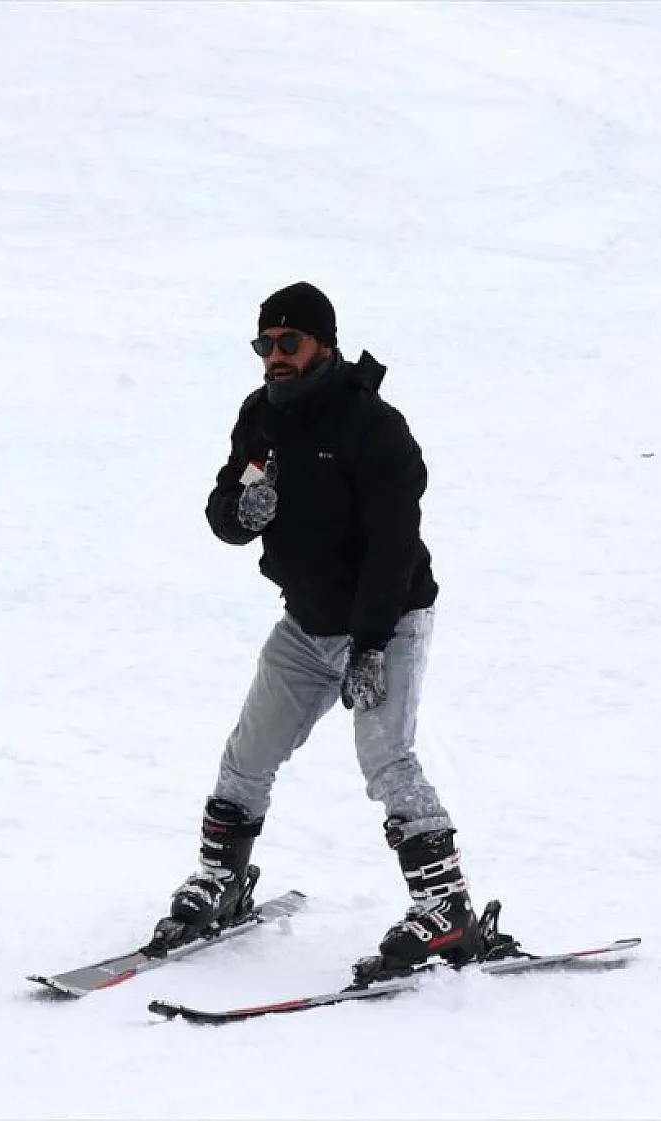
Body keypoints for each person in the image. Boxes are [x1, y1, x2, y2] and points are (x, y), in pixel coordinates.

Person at [151, 281, 482, 979]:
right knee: (249, 751)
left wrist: (368, 645)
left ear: (323, 344)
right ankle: (223, 882)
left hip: (386, 616)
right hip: (307, 619)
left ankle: (446, 908)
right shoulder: (261, 418)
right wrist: (243, 510)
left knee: (386, 756)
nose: (274, 355)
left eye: (288, 342)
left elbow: (394, 545)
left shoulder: (374, 428)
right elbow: (221, 508)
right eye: (264, 344)